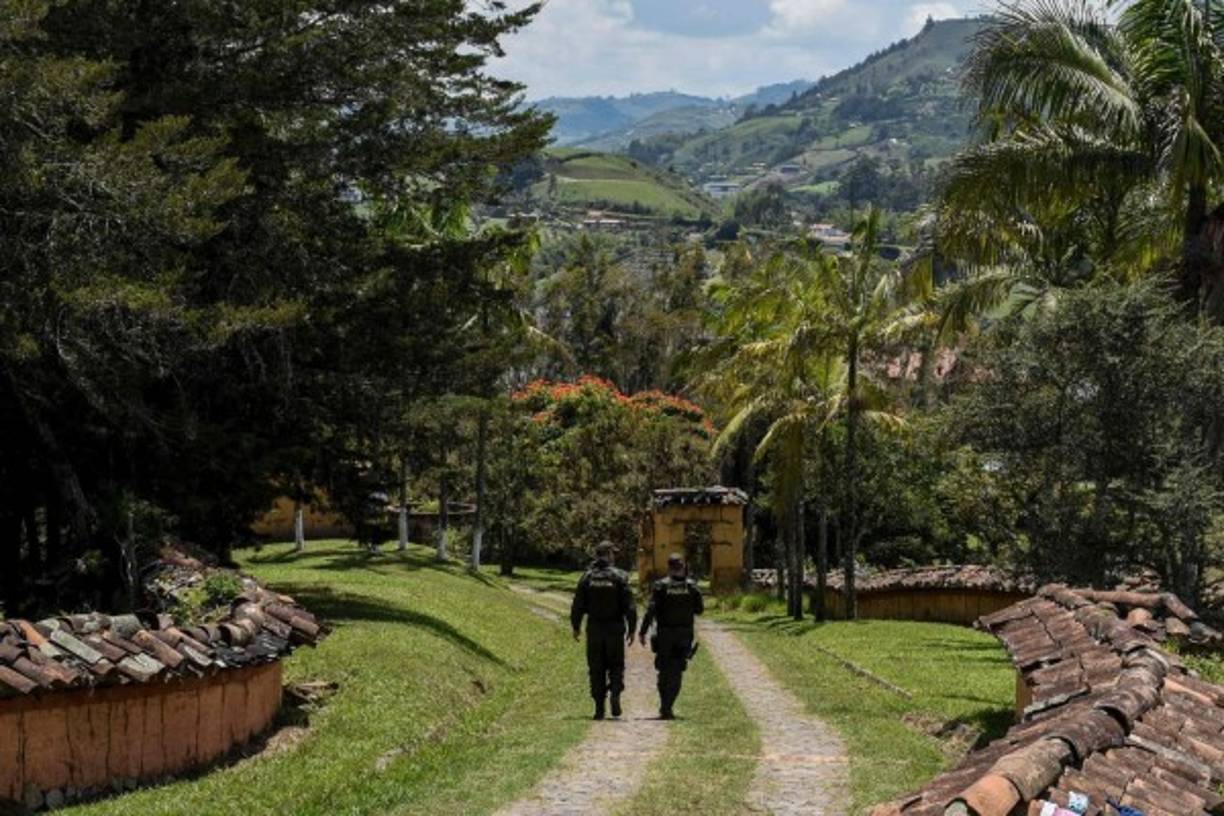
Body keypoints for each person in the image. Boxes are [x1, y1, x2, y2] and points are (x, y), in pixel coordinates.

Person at [570, 540, 637, 720]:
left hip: (595, 629)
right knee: (616, 665)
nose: (614, 556)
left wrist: (575, 626)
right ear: (607, 554)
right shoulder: (620, 576)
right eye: (612, 553)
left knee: (596, 667)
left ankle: (599, 708)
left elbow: (577, 605)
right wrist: (632, 629)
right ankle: (615, 691)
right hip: (615, 628)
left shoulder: (587, 577)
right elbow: (630, 605)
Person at [638, 552, 703, 719]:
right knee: (677, 671)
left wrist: (643, 631)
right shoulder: (691, 586)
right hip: (683, 635)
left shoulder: (661, 586)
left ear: (668, 568)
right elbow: (699, 610)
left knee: (664, 671)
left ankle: (664, 705)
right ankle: (669, 705)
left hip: (664, 634)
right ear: (682, 567)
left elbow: (651, 610)